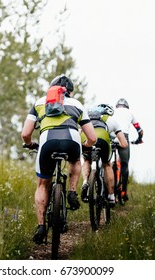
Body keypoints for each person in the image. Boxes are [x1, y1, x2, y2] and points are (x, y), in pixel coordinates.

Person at [21, 74, 97, 244]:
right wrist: (85, 145)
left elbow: (25, 133)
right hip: (72, 140)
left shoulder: (40, 102)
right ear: (70, 91)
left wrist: (30, 144)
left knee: (42, 185)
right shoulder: (77, 104)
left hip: (47, 141)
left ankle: (41, 226)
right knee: (75, 161)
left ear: (51, 89)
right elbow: (92, 137)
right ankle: (71, 192)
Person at [80, 104, 128, 207]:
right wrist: (117, 144)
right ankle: (111, 196)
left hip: (86, 138)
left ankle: (85, 182)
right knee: (107, 164)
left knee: (87, 160)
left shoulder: (87, 118)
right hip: (103, 139)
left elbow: (80, 131)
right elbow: (124, 144)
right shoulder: (112, 121)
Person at [112, 98, 143, 201]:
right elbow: (140, 130)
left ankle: (109, 190)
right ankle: (123, 192)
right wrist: (139, 139)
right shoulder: (130, 113)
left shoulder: (112, 110)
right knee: (124, 164)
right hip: (123, 137)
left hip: (112, 135)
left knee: (108, 162)